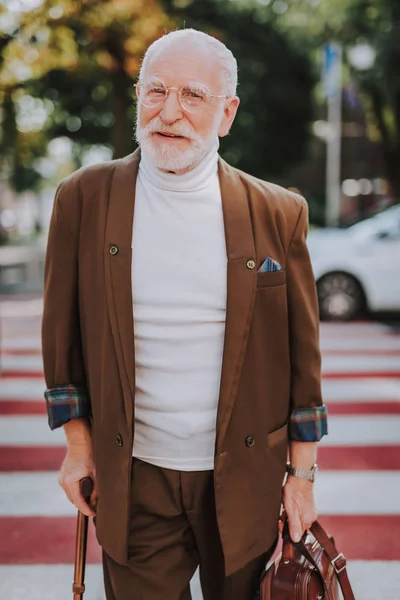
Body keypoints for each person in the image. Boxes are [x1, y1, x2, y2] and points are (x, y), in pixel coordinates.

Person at [42, 28, 327, 600]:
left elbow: (304, 360)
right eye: (155, 91)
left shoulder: (278, 212)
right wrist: (78, 448)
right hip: (133, 479)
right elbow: (61, 340)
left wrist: (302, 476)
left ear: (227, 113)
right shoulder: (84, 198)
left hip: (245, 480)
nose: (169, 112)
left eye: (192, 96)